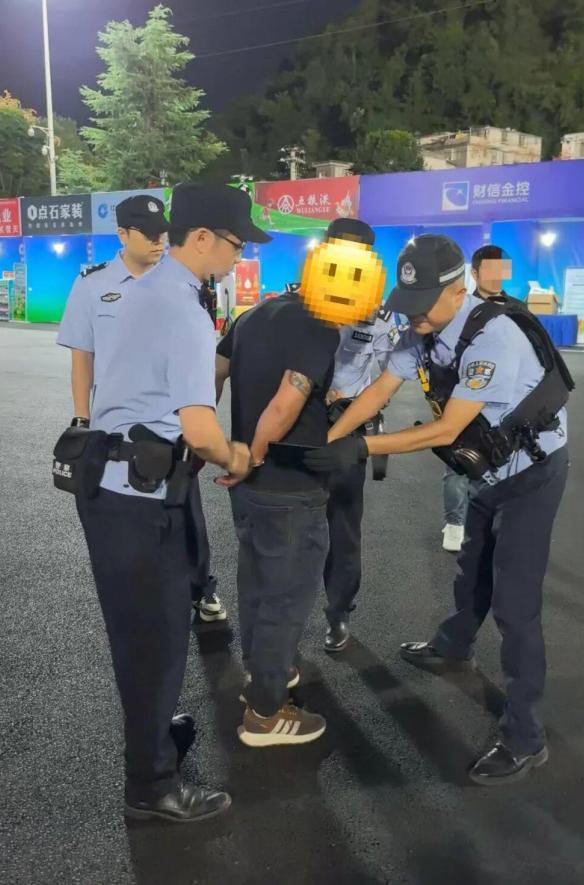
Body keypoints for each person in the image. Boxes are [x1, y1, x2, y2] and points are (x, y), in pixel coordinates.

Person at [304, 233, 572, 785]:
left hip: (531, 474)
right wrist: (329, 439)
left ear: (458, 290)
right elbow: (379, 390)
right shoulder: (421, 329)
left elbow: (446, 429)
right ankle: (454, 646)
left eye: (424, 302)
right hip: (487, 468)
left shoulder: (494, 337)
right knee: (471, 566)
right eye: (408, 303)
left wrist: (360, 447)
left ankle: (526, 737)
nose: (414, 316)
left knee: (515, 604)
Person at [56, 183, 268, 822]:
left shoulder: (141, 291)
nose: (238, 256)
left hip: (117, 487)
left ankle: (153, 734)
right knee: (155, 638)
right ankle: (151, 786)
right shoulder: (182, 308)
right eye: (235, 244)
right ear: (201, 237)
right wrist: (238, 458)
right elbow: (200, 429)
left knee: (143, 631)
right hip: (138, 499)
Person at [57, 194, 227, 625]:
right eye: (148, 234)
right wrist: (81, 419)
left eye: (163, 233)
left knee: (188, 513)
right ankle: (147, 606)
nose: (158, 241)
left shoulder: (181, 284)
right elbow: (83, 357)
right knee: (130, 520)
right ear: (122, 234)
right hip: (121, 433)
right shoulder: (92, 285)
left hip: (177, 426)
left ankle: (200, 587)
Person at [215, 263, 341, 747]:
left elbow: (215, 371)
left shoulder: (254, 314)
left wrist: (223, 446)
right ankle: (266, 712)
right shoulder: (319, 326)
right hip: (289, 482)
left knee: (256, 584)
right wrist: (255, 454)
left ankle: (264, 670)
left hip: (249, 484)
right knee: (285, 598)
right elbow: (287, 402)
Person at [320, 218, 399, 653]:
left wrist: (354, 403)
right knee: (290, 523)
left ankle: (338, 612)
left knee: (343, 527)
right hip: (297, 424)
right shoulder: (299, 302)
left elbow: (386, 378)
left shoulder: (380, 317)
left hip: (348, 426)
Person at [442, 244, 520, 552]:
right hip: (464, 395)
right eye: (490, 270)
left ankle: (492, 526)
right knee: (457, 463)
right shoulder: (461, 309)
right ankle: (454, 524)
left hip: (506, 402)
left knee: (502, 465)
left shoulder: (517, 309)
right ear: (474, 273)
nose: (497, 276)